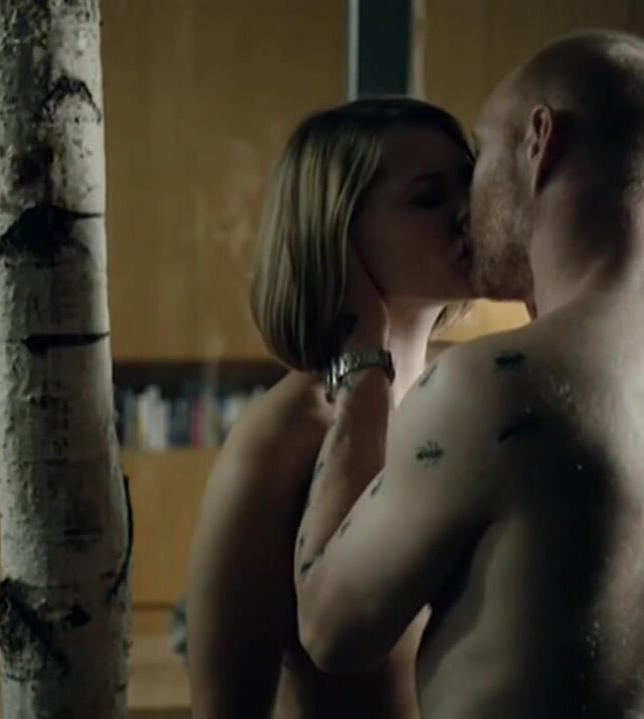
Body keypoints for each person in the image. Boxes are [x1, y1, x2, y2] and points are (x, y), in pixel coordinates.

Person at [292, 31, 644, 718]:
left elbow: (330, 629)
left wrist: (361, 364)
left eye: (479, 156)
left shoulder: (494, 386)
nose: (467, 205)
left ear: (539, 140)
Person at [186, 96, 477, 718]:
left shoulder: (471, 391)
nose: (469, 215)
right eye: (430, 198)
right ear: (340, 232)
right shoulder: (283, 438)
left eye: (471, 186)